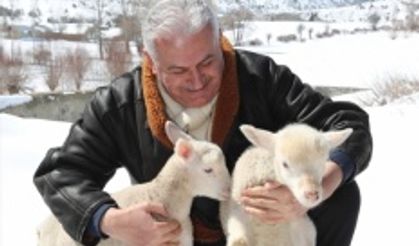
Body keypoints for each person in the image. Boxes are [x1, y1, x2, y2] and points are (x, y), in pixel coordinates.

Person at [33, 0, 373, 245]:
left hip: (254, 231)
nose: (197, 81)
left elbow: (348, 123)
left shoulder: (261, 79)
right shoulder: (118, 104)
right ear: (150, 61)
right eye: (178, 71)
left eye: (208, 62)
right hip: (170, 238)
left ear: (219, 39)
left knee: (342, 197)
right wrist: (109, 220)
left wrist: (318, 186)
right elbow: (60, 174)